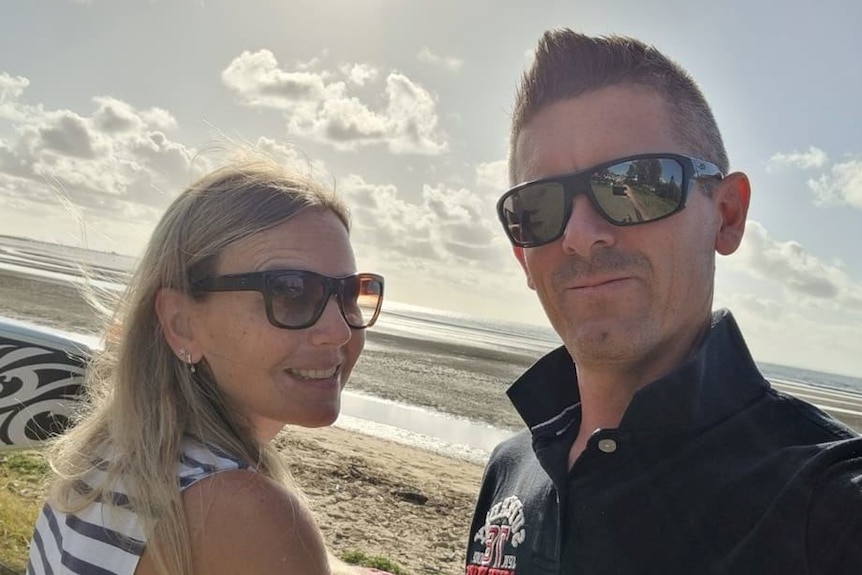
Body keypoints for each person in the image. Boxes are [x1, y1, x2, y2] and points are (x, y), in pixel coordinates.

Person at [465, 30, 862, 574]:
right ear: (521, 256)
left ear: (726, 214)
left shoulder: (827, 501)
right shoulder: (512, 468)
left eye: (634, 183)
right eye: (537, 207)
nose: (580, 236)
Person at [25, 152, 388, 575]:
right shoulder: (244, 514)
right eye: (291, 290)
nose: (339, 331)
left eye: (349, 294)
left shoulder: (111, 457)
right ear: (182, 325)